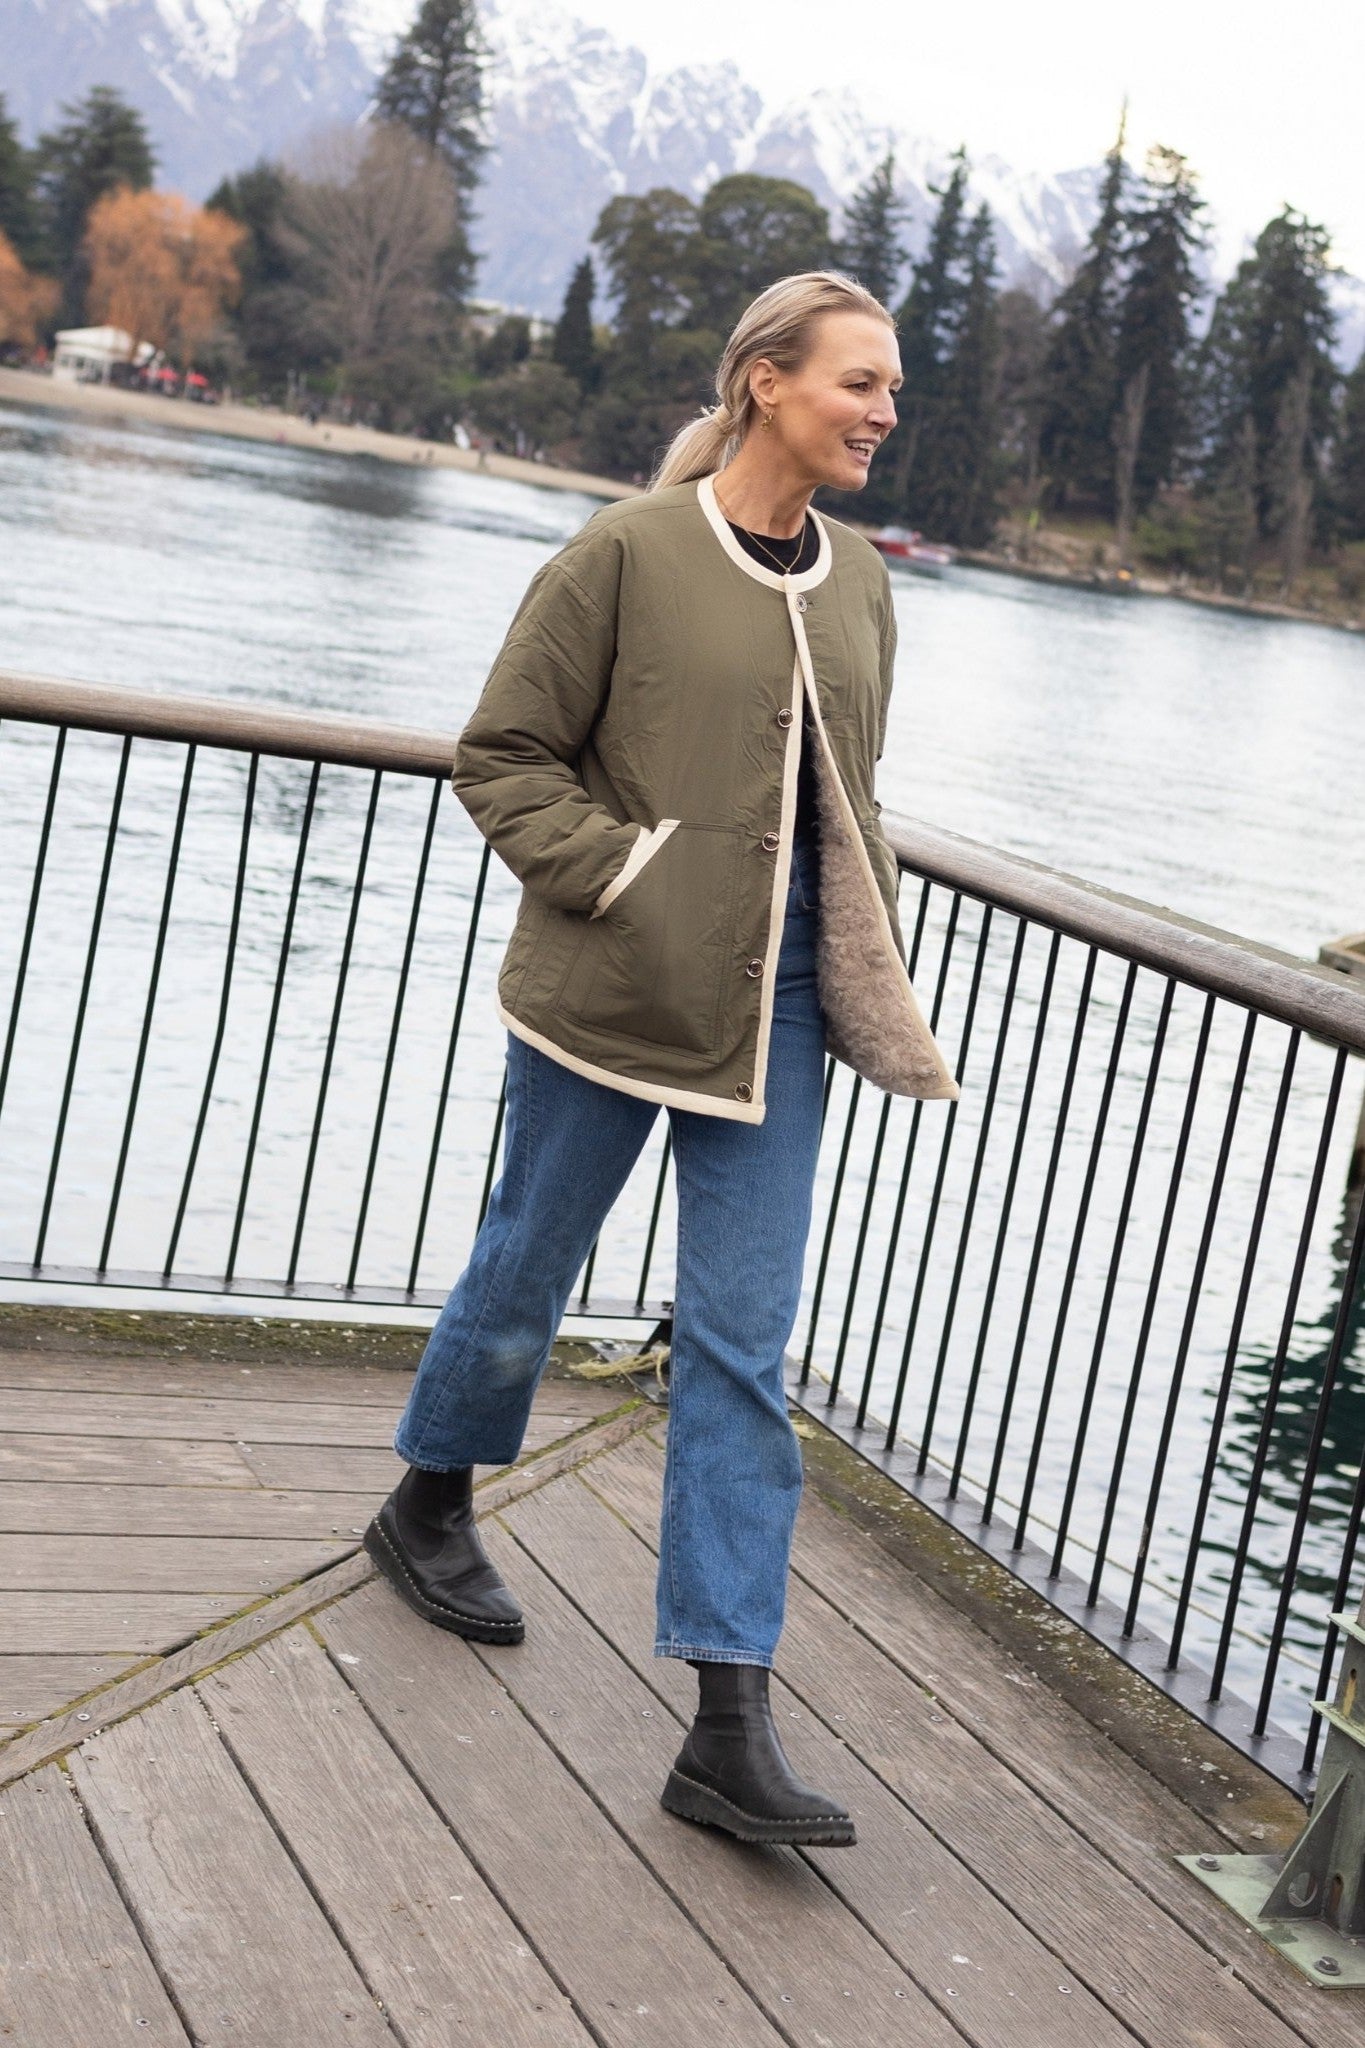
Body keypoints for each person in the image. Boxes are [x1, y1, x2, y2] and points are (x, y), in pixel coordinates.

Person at [365, 269, 958, 1848]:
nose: (884, 413)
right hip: (613, 990)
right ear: (766, 381)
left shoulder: (862, 584)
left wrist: (862, 958)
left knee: (741, 1352)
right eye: (860, 383)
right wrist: (626, 879)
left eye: (892, 389)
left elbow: (846, 792)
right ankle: (428, 1496)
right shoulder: (625, 552)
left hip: (781, 1018)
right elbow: (502, 758)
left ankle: (725, 1718)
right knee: (527, 1265)